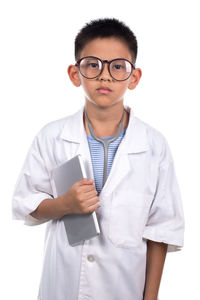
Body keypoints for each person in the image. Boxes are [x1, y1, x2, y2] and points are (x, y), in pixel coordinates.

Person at [12, 18, 184, 300]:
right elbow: (25, 204)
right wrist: (63, 204)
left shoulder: (154, 145)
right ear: (75, 73)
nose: (105, 76)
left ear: (134, 77)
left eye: (118, 66)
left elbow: (161, 229)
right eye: (93, 64)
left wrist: (150, 297)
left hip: (124, 288)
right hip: (62, 288)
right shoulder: (52, 136)